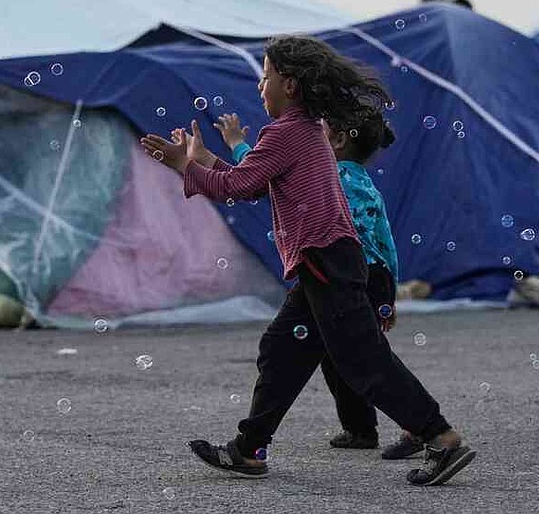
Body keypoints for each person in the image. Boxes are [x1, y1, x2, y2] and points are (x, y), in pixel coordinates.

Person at [140, 35, 476, 486]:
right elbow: (254, 183)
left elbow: (237, 187)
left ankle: (440, 437)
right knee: (281, 348)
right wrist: (205, 160)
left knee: (362, 360)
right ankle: (249, 449)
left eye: (266, 77)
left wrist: (184, 166)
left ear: (291, 85)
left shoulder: (287, 132)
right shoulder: (305, 130)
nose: (260, 86)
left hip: (325, 259)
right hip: (327, 260)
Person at [210, 111, 423, 458]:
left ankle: (421, 426)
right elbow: (386, 241)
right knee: (343, 356)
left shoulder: (329, 176)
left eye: (318, 133)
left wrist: (237, 144)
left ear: (337, 140)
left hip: (343, 272)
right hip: (374, 275)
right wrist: (389, 293)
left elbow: (266, 175)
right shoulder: (365, 183)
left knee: (363, 357)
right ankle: (361, 429)